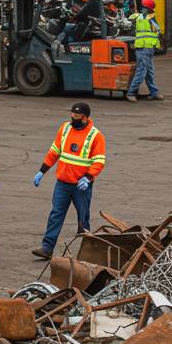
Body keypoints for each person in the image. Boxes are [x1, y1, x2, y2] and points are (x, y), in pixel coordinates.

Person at [31, 102, 106, 259]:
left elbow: (99, 161)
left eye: (77, 116)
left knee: (83, 220)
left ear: (85, 118)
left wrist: (88, 177)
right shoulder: (65, 128)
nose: (73, 119)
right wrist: (42, 171)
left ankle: (89, 253)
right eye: (72, 115)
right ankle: (47, 248)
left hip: (81, 186)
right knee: (56, 214)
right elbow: (54, 152)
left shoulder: (95, 136)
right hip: (63, 184)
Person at [125, 0, 163, 102]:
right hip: (143, 48)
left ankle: (154, 92)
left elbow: (157, 31)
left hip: (148, 48)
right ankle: (131, 92)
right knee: (141, 71)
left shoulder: (149, 18)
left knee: (149, 71)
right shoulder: (140, 17)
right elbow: (130, 22)